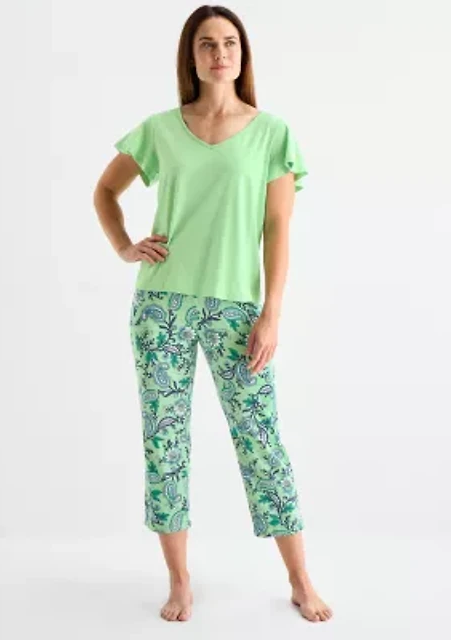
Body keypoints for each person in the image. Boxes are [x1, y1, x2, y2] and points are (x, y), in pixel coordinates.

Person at [93, 4, 333, 625]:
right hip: (162, 305)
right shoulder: (159, 129)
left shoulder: (272, 134)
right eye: (207, 43)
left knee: (261, 441)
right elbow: (105, 190)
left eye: (229, 42)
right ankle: (179, 581)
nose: (219, 52)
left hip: (237, 310)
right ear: (191, 57)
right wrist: (124, 246)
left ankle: (300, 578)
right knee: (165, 442)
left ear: (242, 54)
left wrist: (271, 314)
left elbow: (277, 229)